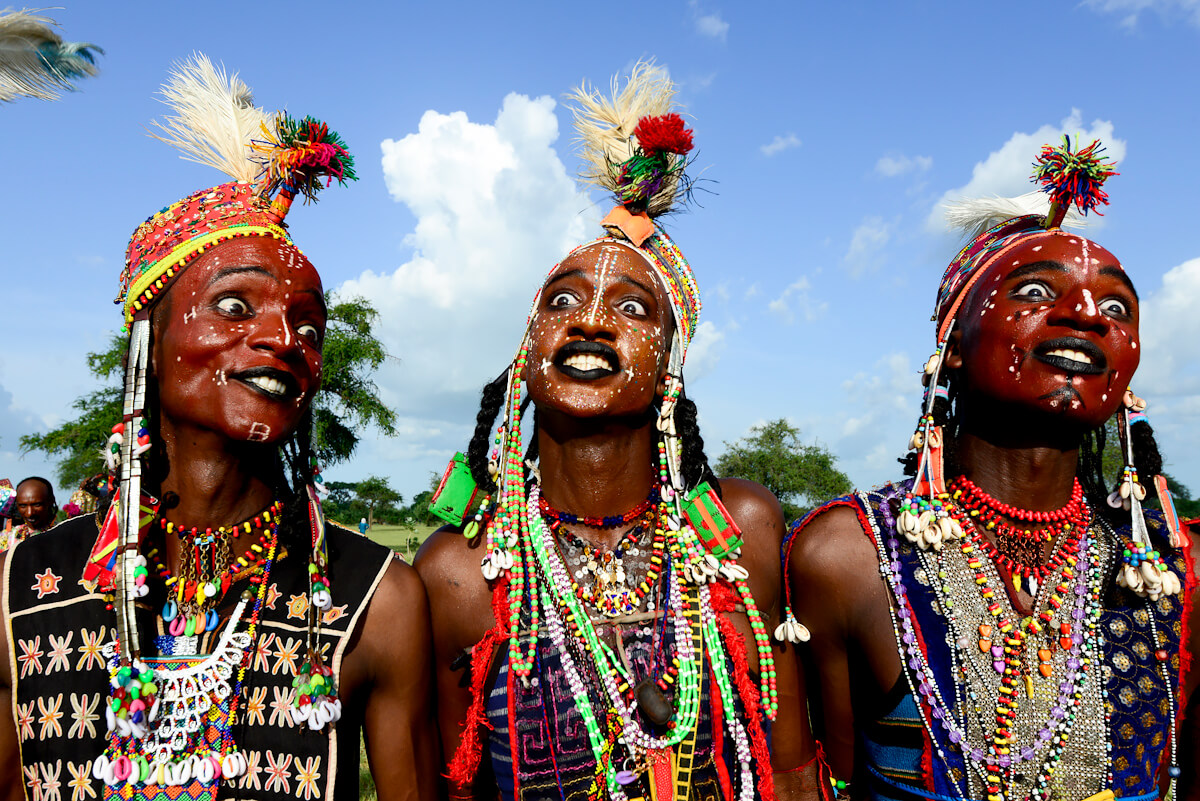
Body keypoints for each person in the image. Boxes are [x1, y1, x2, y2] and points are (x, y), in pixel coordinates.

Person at [0, 56, 436, 800]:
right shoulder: (24, 588)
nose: (282, 338)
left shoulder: (376, 600)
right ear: (151, 339)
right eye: (236, 306)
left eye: (307, 324)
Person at [416, 62, 813, 801]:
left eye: (632, 308)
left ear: (670, 363)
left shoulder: (741, 530)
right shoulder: (458, 571)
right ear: (526, 352)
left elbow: (789, 770)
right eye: (562, 300)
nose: (591, 319)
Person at [782, 138, 1195, 801]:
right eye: (1035, 291)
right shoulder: (848, 556)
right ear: (950, 344)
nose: (1086, 314)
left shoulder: (1173, 571)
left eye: (1116, 307)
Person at [0, 476, 58, 549]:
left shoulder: (63, 534)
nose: (29, 513)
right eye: (23, 506)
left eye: (37, 505)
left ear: (50, 501)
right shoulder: (7, 537)